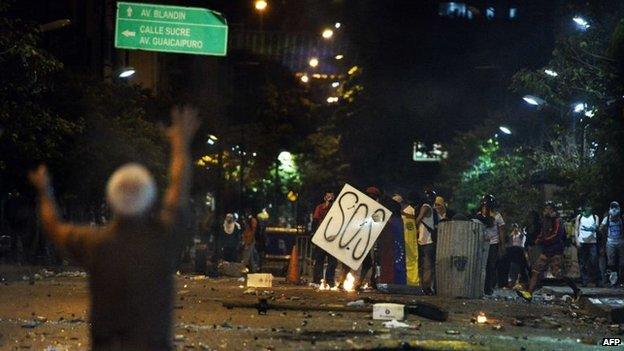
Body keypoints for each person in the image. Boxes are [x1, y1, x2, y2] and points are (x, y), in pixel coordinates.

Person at [29, 106, 199, 350]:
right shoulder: (163, 238)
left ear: (111, 199)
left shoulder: (95, 244)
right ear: (150, 198)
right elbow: (178, 189)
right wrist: (180, 144)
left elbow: (54, 227)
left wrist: (44, 191)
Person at [516, 202, 581, 302]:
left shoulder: (558, 221)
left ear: (551, 210)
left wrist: (542, 240)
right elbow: (543, 233)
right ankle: (529, 293)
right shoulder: (545, 221)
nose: (545, 211)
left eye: (546, 209)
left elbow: (556, 235)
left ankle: (576, 290)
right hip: (546, 250)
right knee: (536, 271)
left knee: (558, 274)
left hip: (556, 250)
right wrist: (538, 240)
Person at [477, 194, 505, 295]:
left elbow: (501, 232)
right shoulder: (479, 215)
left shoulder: (497, 216)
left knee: (490, 266)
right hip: (482, 243)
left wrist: (502, 246)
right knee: (481, 265)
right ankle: (481, 287)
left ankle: (488, 288)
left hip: (493, 243)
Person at [312, 190, 338, 286]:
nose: (330, 198)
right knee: (319, 259)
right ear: (324, 198)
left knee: (332, 261)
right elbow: (315, 220)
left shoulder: (337, 208)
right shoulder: (320, 207)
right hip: (321, 237)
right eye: (328, 196)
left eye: (332, 196)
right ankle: (317, 280)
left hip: (333, 237)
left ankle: (330, 280)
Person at [416, 190, 438, 295]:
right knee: (428, 266)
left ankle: (425, 287)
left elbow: (419, 219)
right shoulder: (427, 207)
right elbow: (420, 218)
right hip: (427, 241)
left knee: (425, 265)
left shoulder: (426, 206)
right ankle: (426, 288)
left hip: (424, 240)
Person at [574, 204, 600, 287]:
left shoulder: (595, 216)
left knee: (594, 261)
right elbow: (576, 229)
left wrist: (593, 228)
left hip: (592, 242)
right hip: (582, 241)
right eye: (587, 206)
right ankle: (584, 281)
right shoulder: (580, 216)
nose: (589, 208)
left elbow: (596, 227)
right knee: (582, 262)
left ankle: (596, 280)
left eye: (590, 206)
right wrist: (577, 240)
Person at [600, 201, 624, 287]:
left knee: (622, 262)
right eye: (612, 207)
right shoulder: (607, 219)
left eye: (616, 207)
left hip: (621, 241)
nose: (614, 209)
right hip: (610, 242)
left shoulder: (621, 217)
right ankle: (613, 281)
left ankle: (621, 280)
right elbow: (601, 228)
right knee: (611, 262)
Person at [507, 223, 528, 289]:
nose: (515, 229)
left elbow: (522, 236)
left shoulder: (520, 235)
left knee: (520, 266)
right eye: (514, 227)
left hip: (520, 250)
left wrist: (521, 230)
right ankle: (512, 282)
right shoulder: (512, 235)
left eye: (516, 227)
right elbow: (510, 242)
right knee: (513, 266)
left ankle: (522, 282)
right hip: (513, 251)